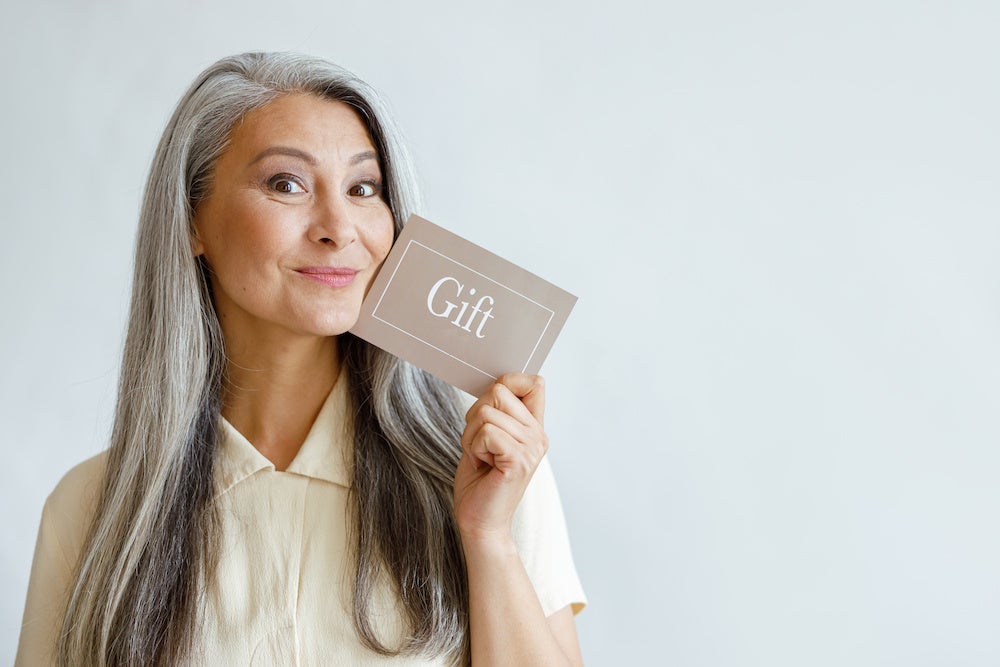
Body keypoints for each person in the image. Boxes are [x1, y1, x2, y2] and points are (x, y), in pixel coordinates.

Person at [14, 52, 585, 666]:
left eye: (363, 188)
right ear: (191, 221)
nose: (339, 227)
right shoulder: (89, 510)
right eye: (286, 184)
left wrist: (487, 536)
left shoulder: (486, 457)